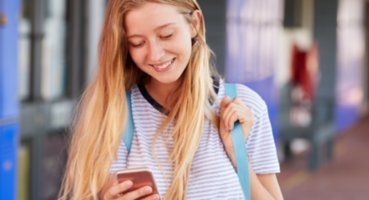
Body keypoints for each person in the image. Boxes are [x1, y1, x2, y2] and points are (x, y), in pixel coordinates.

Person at [58, 0, 283, 199]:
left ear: (194, 24)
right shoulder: (117, 113)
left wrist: (237, 154)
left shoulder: (244, 105)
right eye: (137, 43)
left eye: (166, 35)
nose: (155, 54)